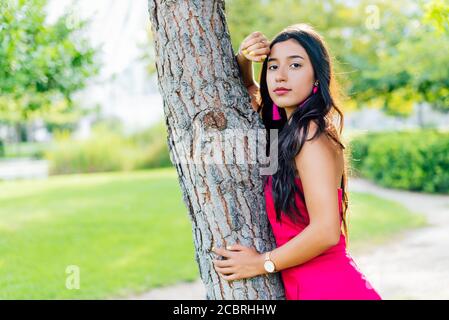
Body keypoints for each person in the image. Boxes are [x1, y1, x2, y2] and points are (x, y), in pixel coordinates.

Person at [212, 24, 382, 300]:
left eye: (295, 65)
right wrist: (244, 58)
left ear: (317, 76)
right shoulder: (286, 129)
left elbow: (326, 231)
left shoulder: (311, 134)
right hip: (309, 288)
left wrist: (261, 263)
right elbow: (247, 91)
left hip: (331, 289)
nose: (280, 76)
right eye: (273, 66)